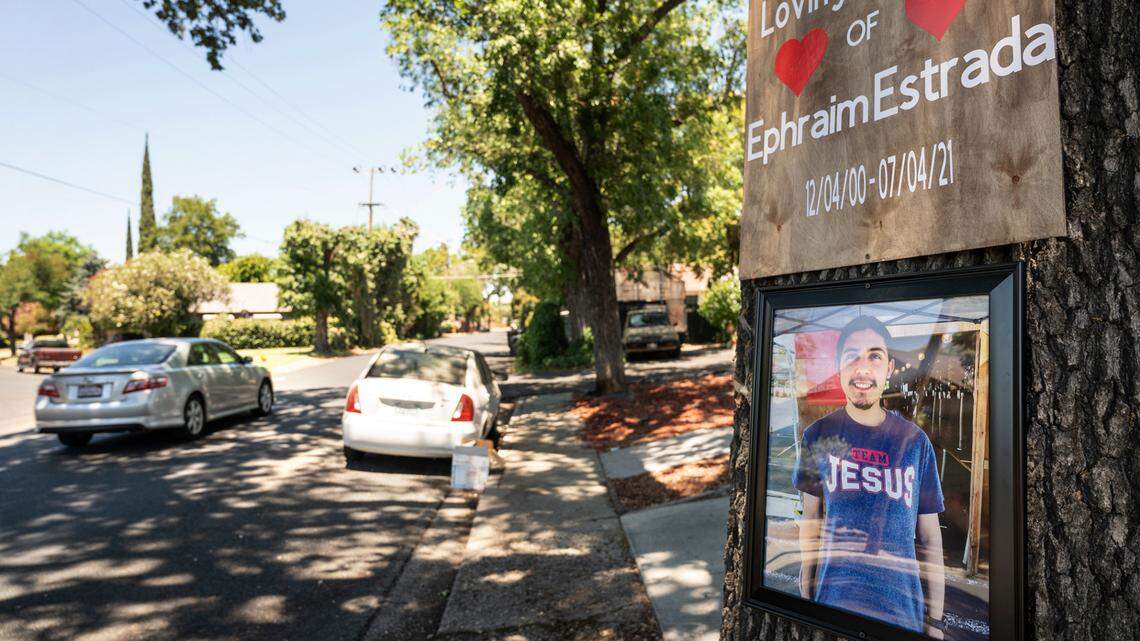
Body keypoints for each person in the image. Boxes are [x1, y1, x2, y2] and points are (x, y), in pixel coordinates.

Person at [793, 315, 946, 637]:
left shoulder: (915, 443)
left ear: (889, 368)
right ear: (839, 367)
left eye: (874, 356)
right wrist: (807, 581)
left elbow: (930, 537)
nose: (863, 368)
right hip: (835, 606)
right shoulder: (817, 436)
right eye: (852, 357)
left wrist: (935, 620)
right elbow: (811, 519)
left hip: (903, 614)